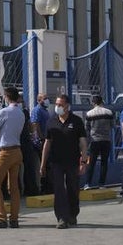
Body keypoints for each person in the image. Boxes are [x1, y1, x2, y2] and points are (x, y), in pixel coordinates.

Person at [41, 95, 87, 229]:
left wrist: (83, 161)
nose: (57, 107)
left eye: (60, 104)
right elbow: (47, 143)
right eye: (56, 104)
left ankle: (73, 214)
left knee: (73, 188)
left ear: (67, 106)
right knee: (59, 189)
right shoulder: (51, 122)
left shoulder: (76, 121)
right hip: (56, 162)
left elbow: (83, 142)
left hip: (72, 161)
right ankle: (61, 217)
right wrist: (43, 163)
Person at [0, 86, 25, 229]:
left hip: (5, 151)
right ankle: (14, 219)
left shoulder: (4, 111)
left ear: (7, 97)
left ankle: (1, 218)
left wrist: (0, 134)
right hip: (17, 151)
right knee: (13, 187)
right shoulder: (21, 113)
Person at [82, 95, 114, 190]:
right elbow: (112, 125)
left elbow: (87, 128)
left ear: (93, 103)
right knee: (104, 163)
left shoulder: (89, 114)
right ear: (102, 102)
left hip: (94, 140)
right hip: (106, 140)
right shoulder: (109, 112)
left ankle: (88, 183)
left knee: (91, 163)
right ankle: (101, 184)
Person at [29, 93, 52, 194]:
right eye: (45, 99)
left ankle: (49, 185)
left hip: (47, 139)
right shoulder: (37, 110)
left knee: (48, 164)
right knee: (44, 164)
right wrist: (41, 137)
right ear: (39, 100)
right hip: (41, 141)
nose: (47, 100)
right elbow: (35, 124)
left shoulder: (45, 110)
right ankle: (44, 187)